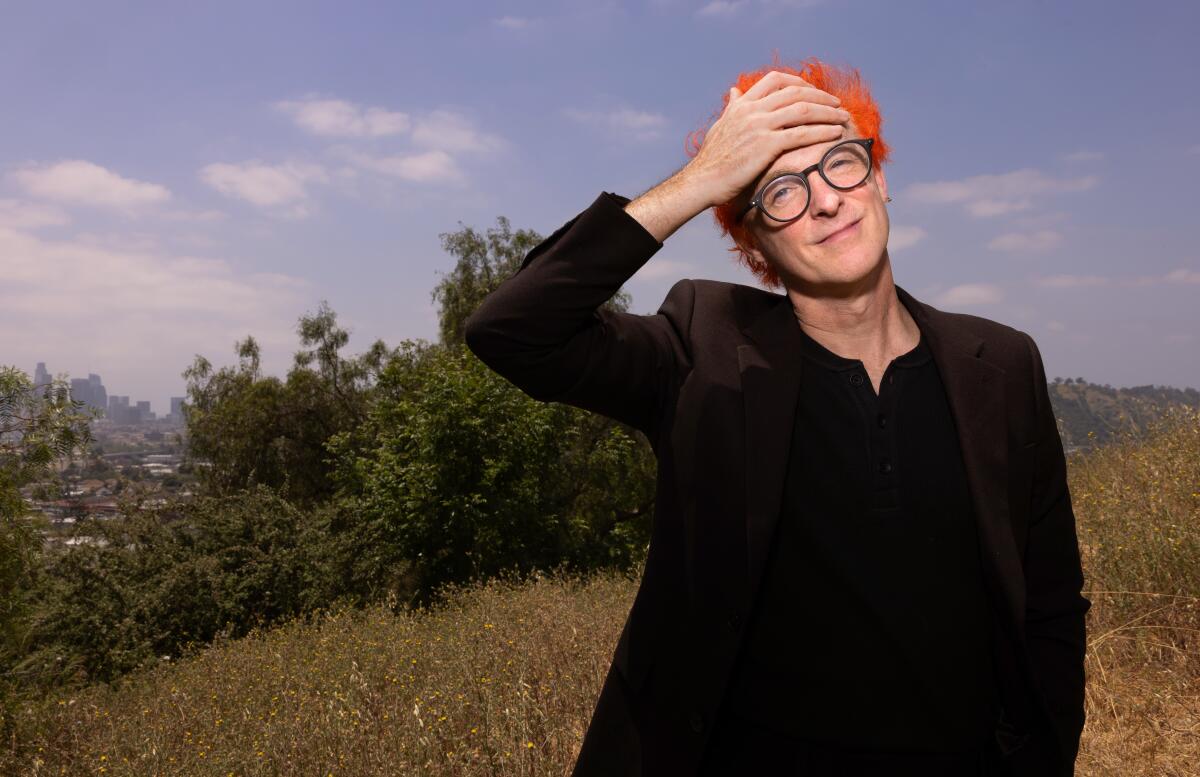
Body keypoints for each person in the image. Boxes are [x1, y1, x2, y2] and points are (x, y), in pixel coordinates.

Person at [464, 58, 1089, 777]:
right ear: (755, 243)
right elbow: (511, 329)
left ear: (880, 179)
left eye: (841, 164)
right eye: (782, 190)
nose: (825, 202)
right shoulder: (702, 346)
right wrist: (700, 179)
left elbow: (1050, 607)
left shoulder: (1003, 366)